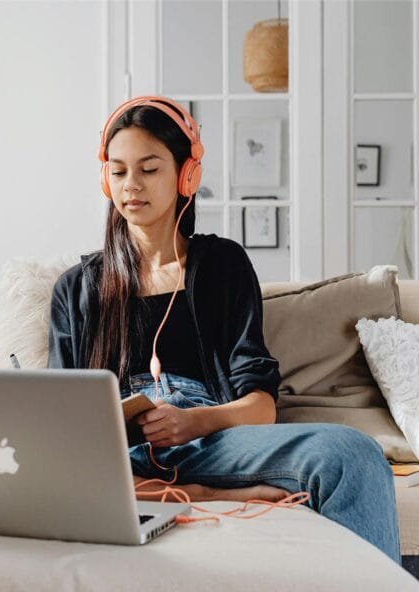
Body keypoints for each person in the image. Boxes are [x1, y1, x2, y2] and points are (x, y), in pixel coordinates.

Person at [47, 95, 401, 563]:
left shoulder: (223, 265)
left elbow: (261, 406)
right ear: (105, 179)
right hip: (118, 459)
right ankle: (198, 494)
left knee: (351, 453)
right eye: (118, 171)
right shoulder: (75, 289)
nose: (131, 185)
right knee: (55, 472)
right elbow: (59, 429)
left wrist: (193, 421)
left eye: (149, 169)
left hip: (215, 440)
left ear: (186, 174)